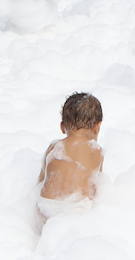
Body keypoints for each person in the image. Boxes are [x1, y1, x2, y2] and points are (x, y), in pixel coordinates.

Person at [37, 92, 104, 230]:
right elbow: (97, 189)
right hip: (76, 210)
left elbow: (40, 180)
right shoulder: (97, 151)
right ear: (97, 126)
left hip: (47, 207)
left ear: (62, 126)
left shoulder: (54, 147)